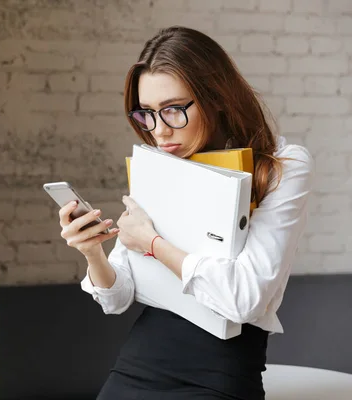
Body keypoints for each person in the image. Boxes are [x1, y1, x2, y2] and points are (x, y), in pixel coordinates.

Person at [56, 26, 313, 399]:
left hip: (220, 374)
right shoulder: (158, 165)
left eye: (173, 110)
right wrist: (92, 251)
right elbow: (118, 298)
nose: (159, 131)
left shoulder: (282, 166)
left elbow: (243, 299)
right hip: (139, 365)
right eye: (148, 114)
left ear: (217, 97)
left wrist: (153, 242)